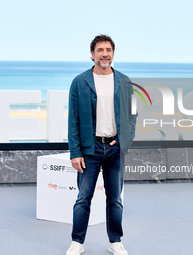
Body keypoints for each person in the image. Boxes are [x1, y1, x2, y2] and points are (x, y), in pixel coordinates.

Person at [66, 34, 137, 255]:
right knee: (83, 198)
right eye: (99, 50)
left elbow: (132, 115)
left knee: (115, 199)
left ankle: (115, 241)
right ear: (92, 54)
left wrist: (124, 141)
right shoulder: (80, 82)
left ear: (113, 54)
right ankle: (77, 242)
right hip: (90, 149)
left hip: (115, 149)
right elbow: (73, 120)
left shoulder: (125, 82)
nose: (104, 54)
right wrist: (75, 152)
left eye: (108, 50)